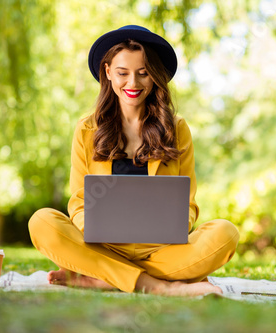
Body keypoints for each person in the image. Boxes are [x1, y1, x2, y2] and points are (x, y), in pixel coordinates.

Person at [28, 25, 239, 297]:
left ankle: (104, 276)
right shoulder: (87, 129)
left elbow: (188, 204)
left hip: (161, 250)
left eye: (143, 73)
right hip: (102, 246)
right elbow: (79, 203)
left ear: (155, 76)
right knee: (42, 222)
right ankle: (158, 286)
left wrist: (176, 225)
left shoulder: (176, 128)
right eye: (122, 73)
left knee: (225, 233)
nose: (133, 84)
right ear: (107, 73)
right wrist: (90, 227)